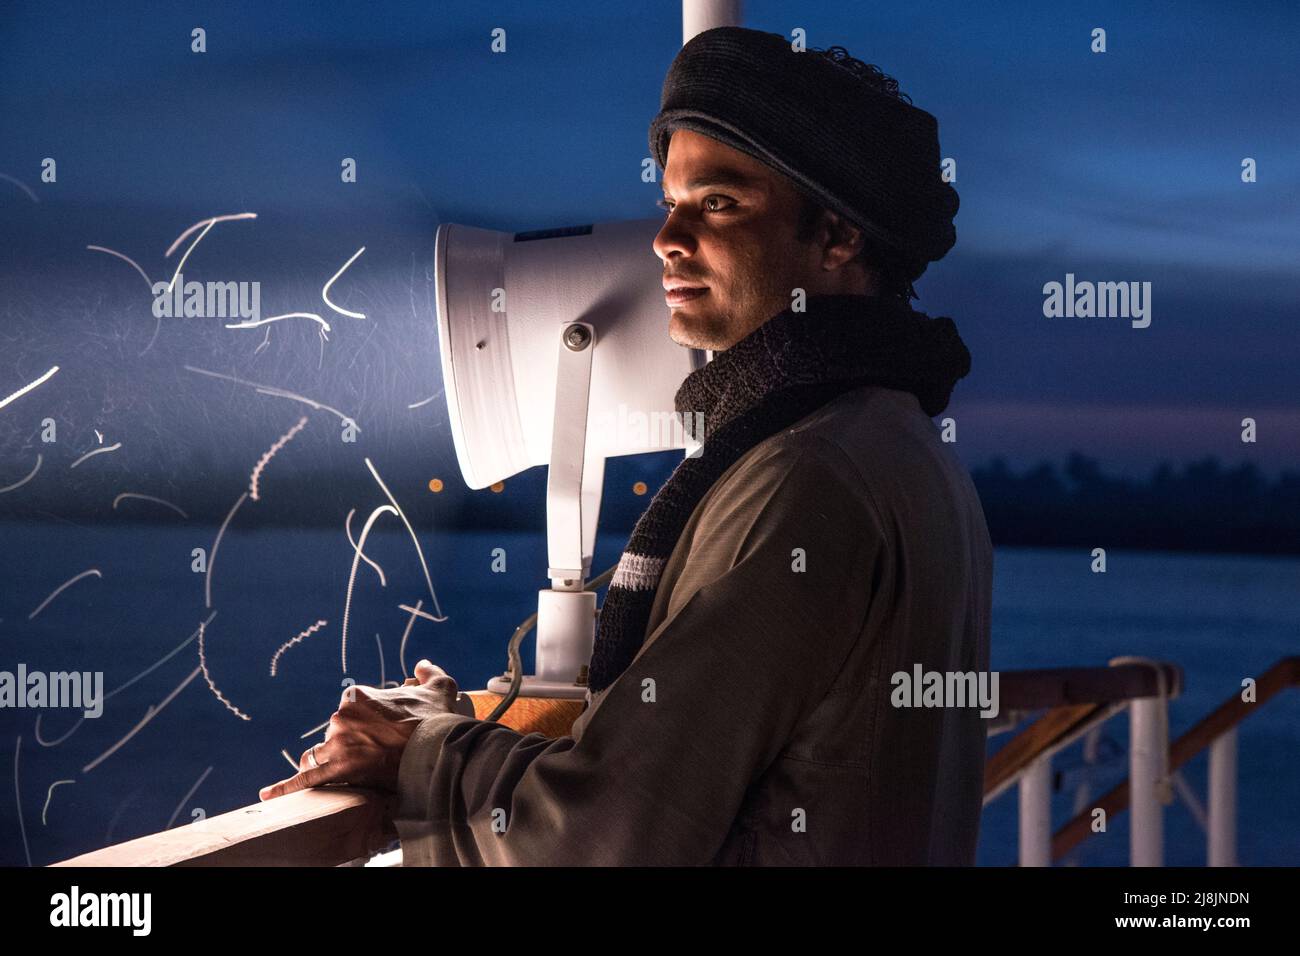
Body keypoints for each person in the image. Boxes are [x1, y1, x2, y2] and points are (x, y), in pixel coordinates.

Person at [260, 25, 993, 866]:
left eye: (718, 203)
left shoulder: (804, 476)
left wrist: (423, 753)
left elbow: (609, 834)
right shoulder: (901, 442)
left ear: (838, 236)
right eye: (669, 202)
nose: (667, 239)